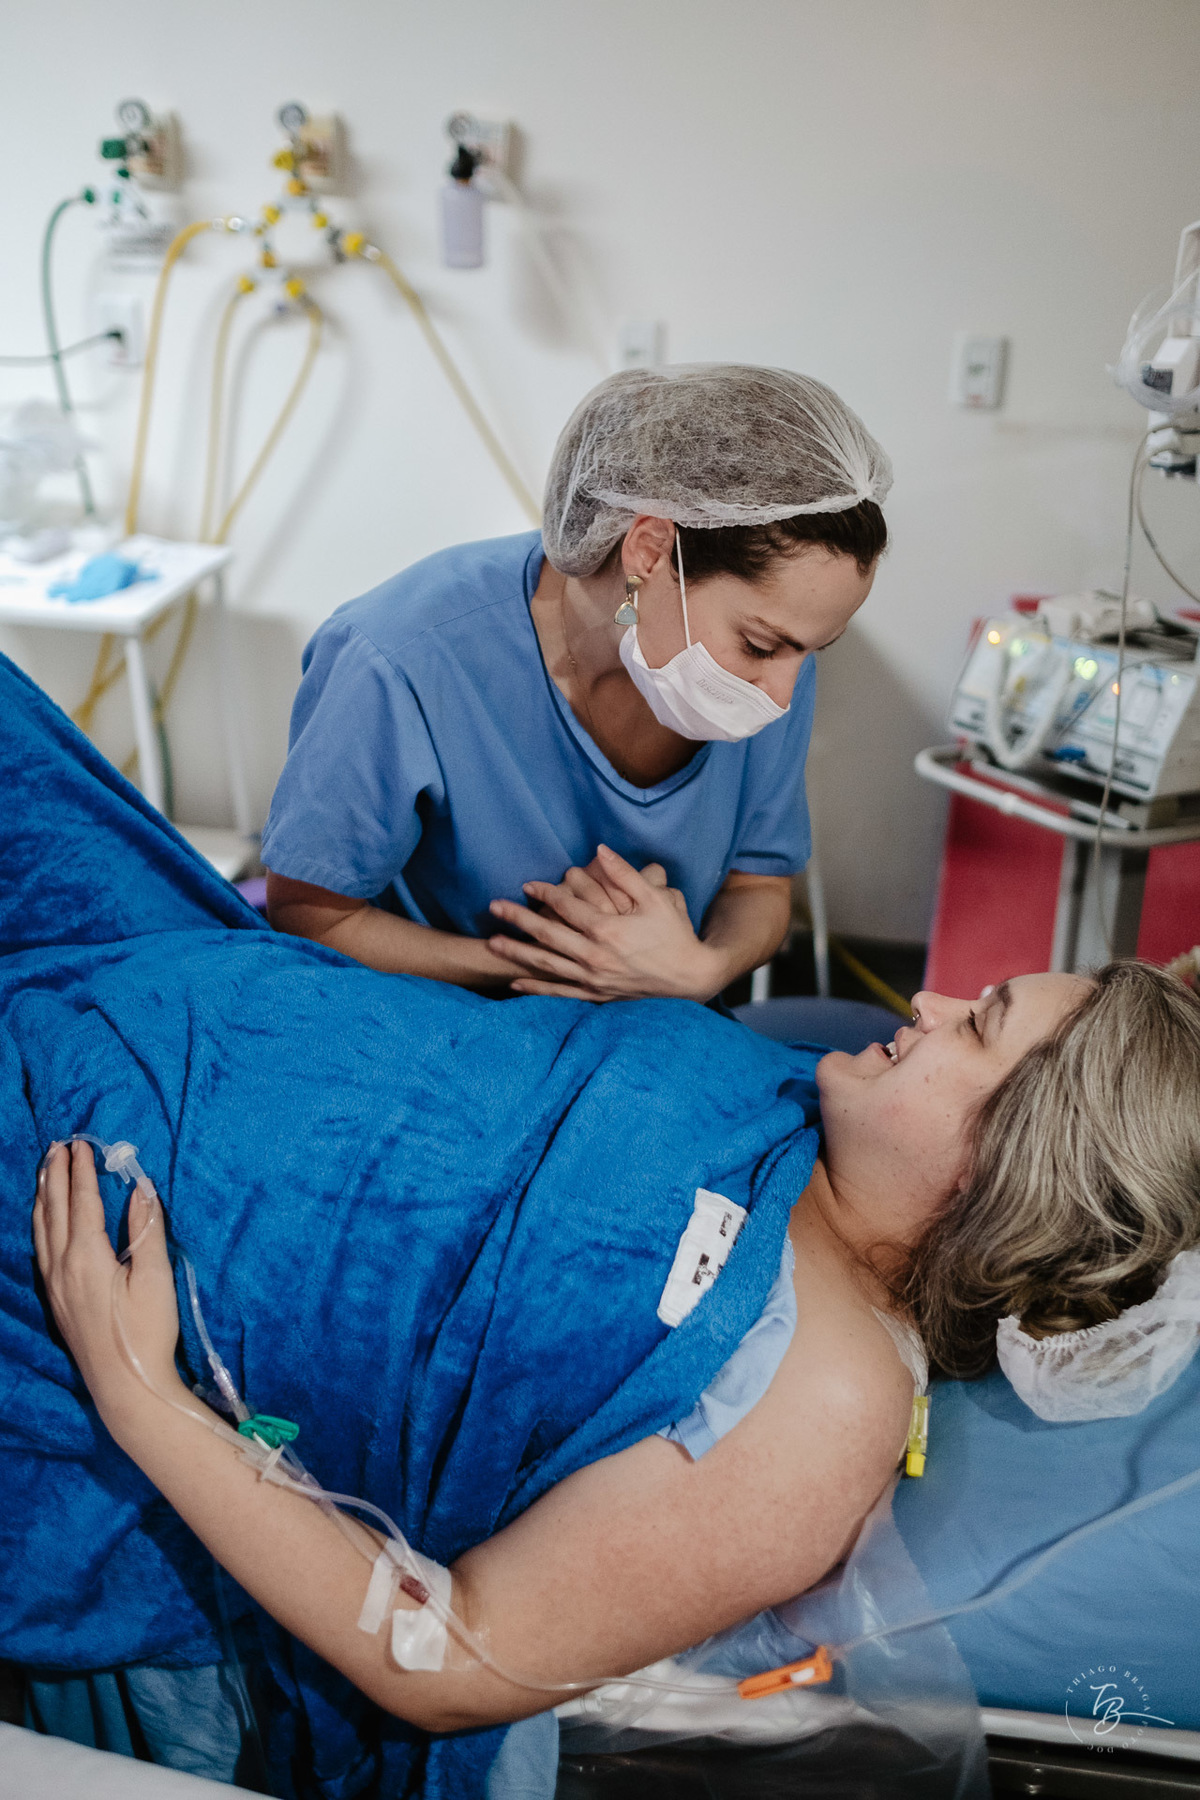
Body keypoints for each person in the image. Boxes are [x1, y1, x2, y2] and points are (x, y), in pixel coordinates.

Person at [34, 957, 1200, 1768]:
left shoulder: (831, 1402)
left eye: (982, 1020)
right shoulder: (802, 1095)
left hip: (88, 1220)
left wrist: (146, 1395)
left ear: (1006, 1176)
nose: (932, 998)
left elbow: (453, 1656)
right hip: (179, 1022)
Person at [261, 364, 891, 1003]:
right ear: (648, 552)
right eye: (760, 645)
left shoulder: (774, 668)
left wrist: (701, 970)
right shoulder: (398, 662)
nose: (781, 695)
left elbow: (759, 887)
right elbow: (311, 914)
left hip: (654, 1031)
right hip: (439, 1025)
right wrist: (559, 965)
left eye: (811, 652)